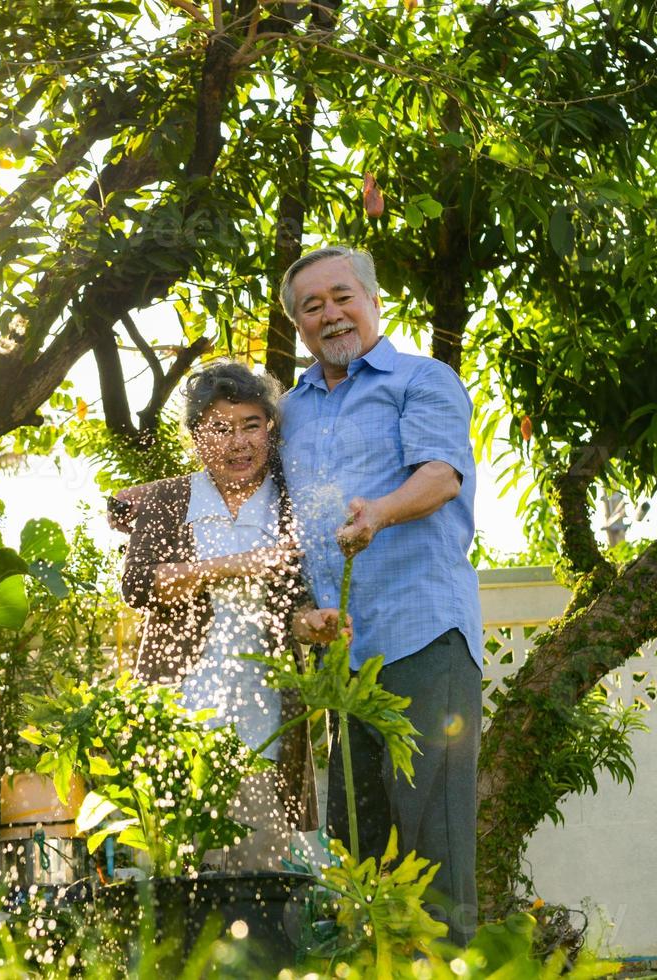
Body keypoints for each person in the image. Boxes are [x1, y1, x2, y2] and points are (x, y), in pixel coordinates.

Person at [277, 245, 482, 943]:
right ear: (300, 326)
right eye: (312, 306)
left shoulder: (421, 379)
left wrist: (381, 512)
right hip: (344, 661)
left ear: (371, 300)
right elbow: (286, 527)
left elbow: (441, 475)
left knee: (432, 837)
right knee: (357, 845)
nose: (330, 314)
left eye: (342, 297)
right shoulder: (290, 415)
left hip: (423, 635)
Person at [119, 360, 342, 870]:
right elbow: (139, 586)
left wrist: (313, 625)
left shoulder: (290, 505)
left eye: (251, 425)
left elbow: (295, 609)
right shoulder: (171, 500)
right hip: (175, 731)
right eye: (220, 428)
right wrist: (237, 565)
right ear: (198, 437)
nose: (238, 443)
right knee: (173, 892)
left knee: (260, 894)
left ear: (270, 430)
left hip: (263, 735)